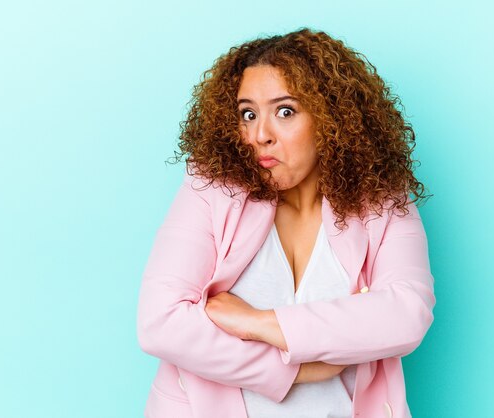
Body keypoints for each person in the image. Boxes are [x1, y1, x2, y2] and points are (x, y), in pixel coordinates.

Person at [137, 27, 436, 418]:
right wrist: (294, 370)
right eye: (248, 114)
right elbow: (160, 322)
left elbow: (406, 314)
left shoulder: (381, 200)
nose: (260, 135)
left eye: (285, 111)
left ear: (332, 118)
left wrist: (256, 322)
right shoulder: (211, 188)